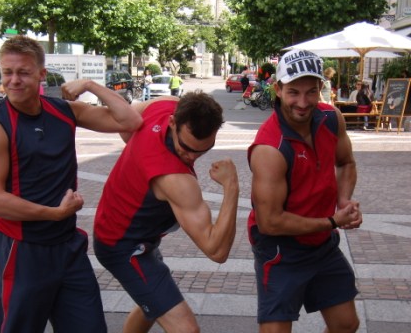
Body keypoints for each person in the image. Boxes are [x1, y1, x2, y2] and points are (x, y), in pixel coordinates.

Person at [0, 35, 143, 333]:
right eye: (7, 72)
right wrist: (53, 213)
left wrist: (91, 85)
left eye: (23, 72)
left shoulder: (64, 111)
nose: (13, 80)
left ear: (42, 74)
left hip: (67, 248)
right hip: (23, 250)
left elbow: (129, 121)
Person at [93, 91, 239, 333]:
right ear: (173, 122)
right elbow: (217, 250)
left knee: (152, 302)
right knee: (186, 329)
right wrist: (231, 186)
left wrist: (143, 156)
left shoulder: (163, 105)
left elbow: (127, 124)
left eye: (203, 150)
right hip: (122, 246)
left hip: (127, 232)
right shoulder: (174, 178)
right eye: (186, 147)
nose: (191, 157)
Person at [247, 49, 362, 333]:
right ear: (278, 88)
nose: (302, 102)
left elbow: (345, 162)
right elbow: (270, 222)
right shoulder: (270, 148)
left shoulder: (331, 118)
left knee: (346, 325)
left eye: (311, 92)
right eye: (293, 92)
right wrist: (333, 222)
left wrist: (343, 200)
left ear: (321, 89)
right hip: (280, 248)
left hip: (321, 243)